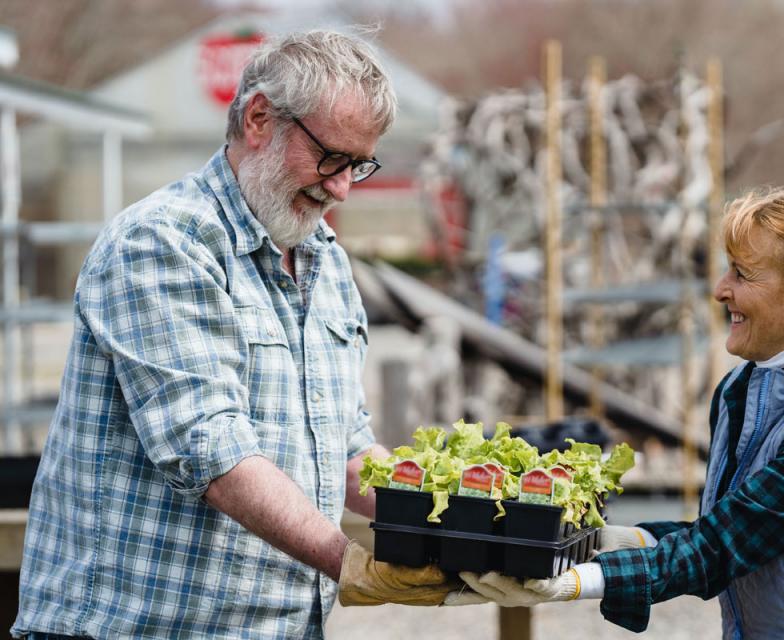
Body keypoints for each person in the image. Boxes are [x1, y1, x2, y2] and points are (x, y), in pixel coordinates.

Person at [13, 30, 456, 640]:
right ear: (259, 119)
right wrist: (349, 563)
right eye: (332, 158)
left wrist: (462, 522)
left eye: (360, 165)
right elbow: (210, 447)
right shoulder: (162, 243)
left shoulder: (325, 259)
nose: (343, 188)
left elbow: (348, 452)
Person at [449, 188, 784, 638]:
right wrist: (613, 540)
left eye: (742, 274)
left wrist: (577, 580)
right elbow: (730, 527)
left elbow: (723, 548)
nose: (721, 290)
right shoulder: (742, 389)